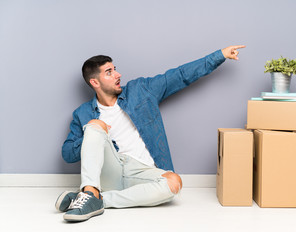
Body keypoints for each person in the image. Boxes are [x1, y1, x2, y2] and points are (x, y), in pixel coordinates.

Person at [55, 45, 246, 222]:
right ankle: (90, 191)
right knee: (94, 126)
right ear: (94, 82)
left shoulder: (141, 91)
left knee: (174, 182)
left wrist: (219, 55)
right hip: (110, 171)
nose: (118, 74)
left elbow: (180, 76)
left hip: (142, 172)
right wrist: (95, 131)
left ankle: (95, 199)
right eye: (109, 72)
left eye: (115, 69)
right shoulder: (83, 113)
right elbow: (68, 154)